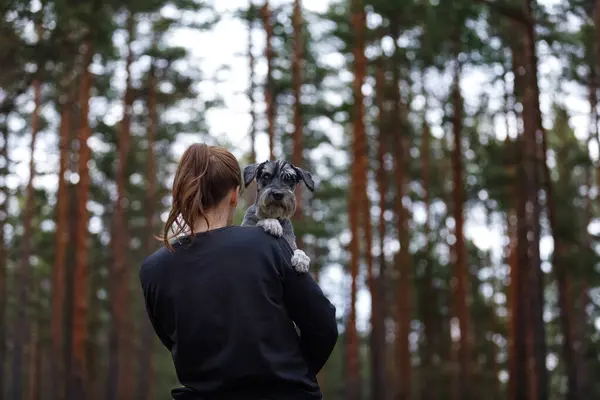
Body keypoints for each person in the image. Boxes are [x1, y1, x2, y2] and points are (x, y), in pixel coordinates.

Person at [139, 143, 338, 400]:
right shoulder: (268, 244)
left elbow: (174, 342)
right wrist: (294, 376)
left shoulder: (153, 270)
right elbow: (323, 326)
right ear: (235, 194)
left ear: (180, 191)